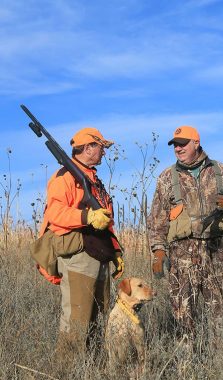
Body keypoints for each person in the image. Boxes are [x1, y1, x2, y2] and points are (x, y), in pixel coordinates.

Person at [147, 126, 223, 345]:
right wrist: (158, 251)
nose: (178, 148)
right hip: (181, 253)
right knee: (182, 311)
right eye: (175, 145)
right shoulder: (166, 178)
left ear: (196, 143)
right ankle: (187, 366)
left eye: (183, 143)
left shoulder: (221, 171)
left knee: (219, 309)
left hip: (216, 251)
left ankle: (221, 362)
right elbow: (157, 219)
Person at [38, 127, 124, 362]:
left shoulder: (94, 180)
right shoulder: (65, 177)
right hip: (78, 256)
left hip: (100, 255)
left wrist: (116, 251)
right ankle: (66, 372)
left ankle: (92, 371)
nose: (104, 152)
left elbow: (106, 220)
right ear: (88, 148)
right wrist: (85, 217)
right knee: (76, 323)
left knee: (98, 322)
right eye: (101, 147)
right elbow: (55, 214)